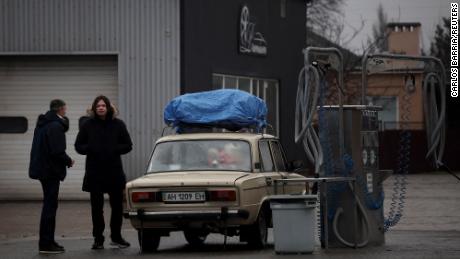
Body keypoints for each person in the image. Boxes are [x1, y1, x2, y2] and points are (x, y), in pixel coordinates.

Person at [75, 95, 133, 249]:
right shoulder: (87, 125)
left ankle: (116, 237)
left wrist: (114, 149)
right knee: (96, 208)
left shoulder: (118, 124)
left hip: (114, 172)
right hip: (95, 173)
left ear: (108, 108)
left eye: (103, 105)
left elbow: (128, 145)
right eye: (98, 105)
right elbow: (78, 146)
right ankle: (98, 239)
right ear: (94, 108)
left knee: (117, 207)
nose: (101, 108)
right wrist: (90, 148)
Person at [29, 99, 74, 254]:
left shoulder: (43, 124)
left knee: (49, 206)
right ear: (61, 109)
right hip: (50, 172)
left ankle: (48, 240)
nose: (66, 111)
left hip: (44, 170)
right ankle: (46, 244)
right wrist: (69, 161)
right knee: (50, 207)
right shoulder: (55, 126)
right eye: (65, 109)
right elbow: (57, 151)